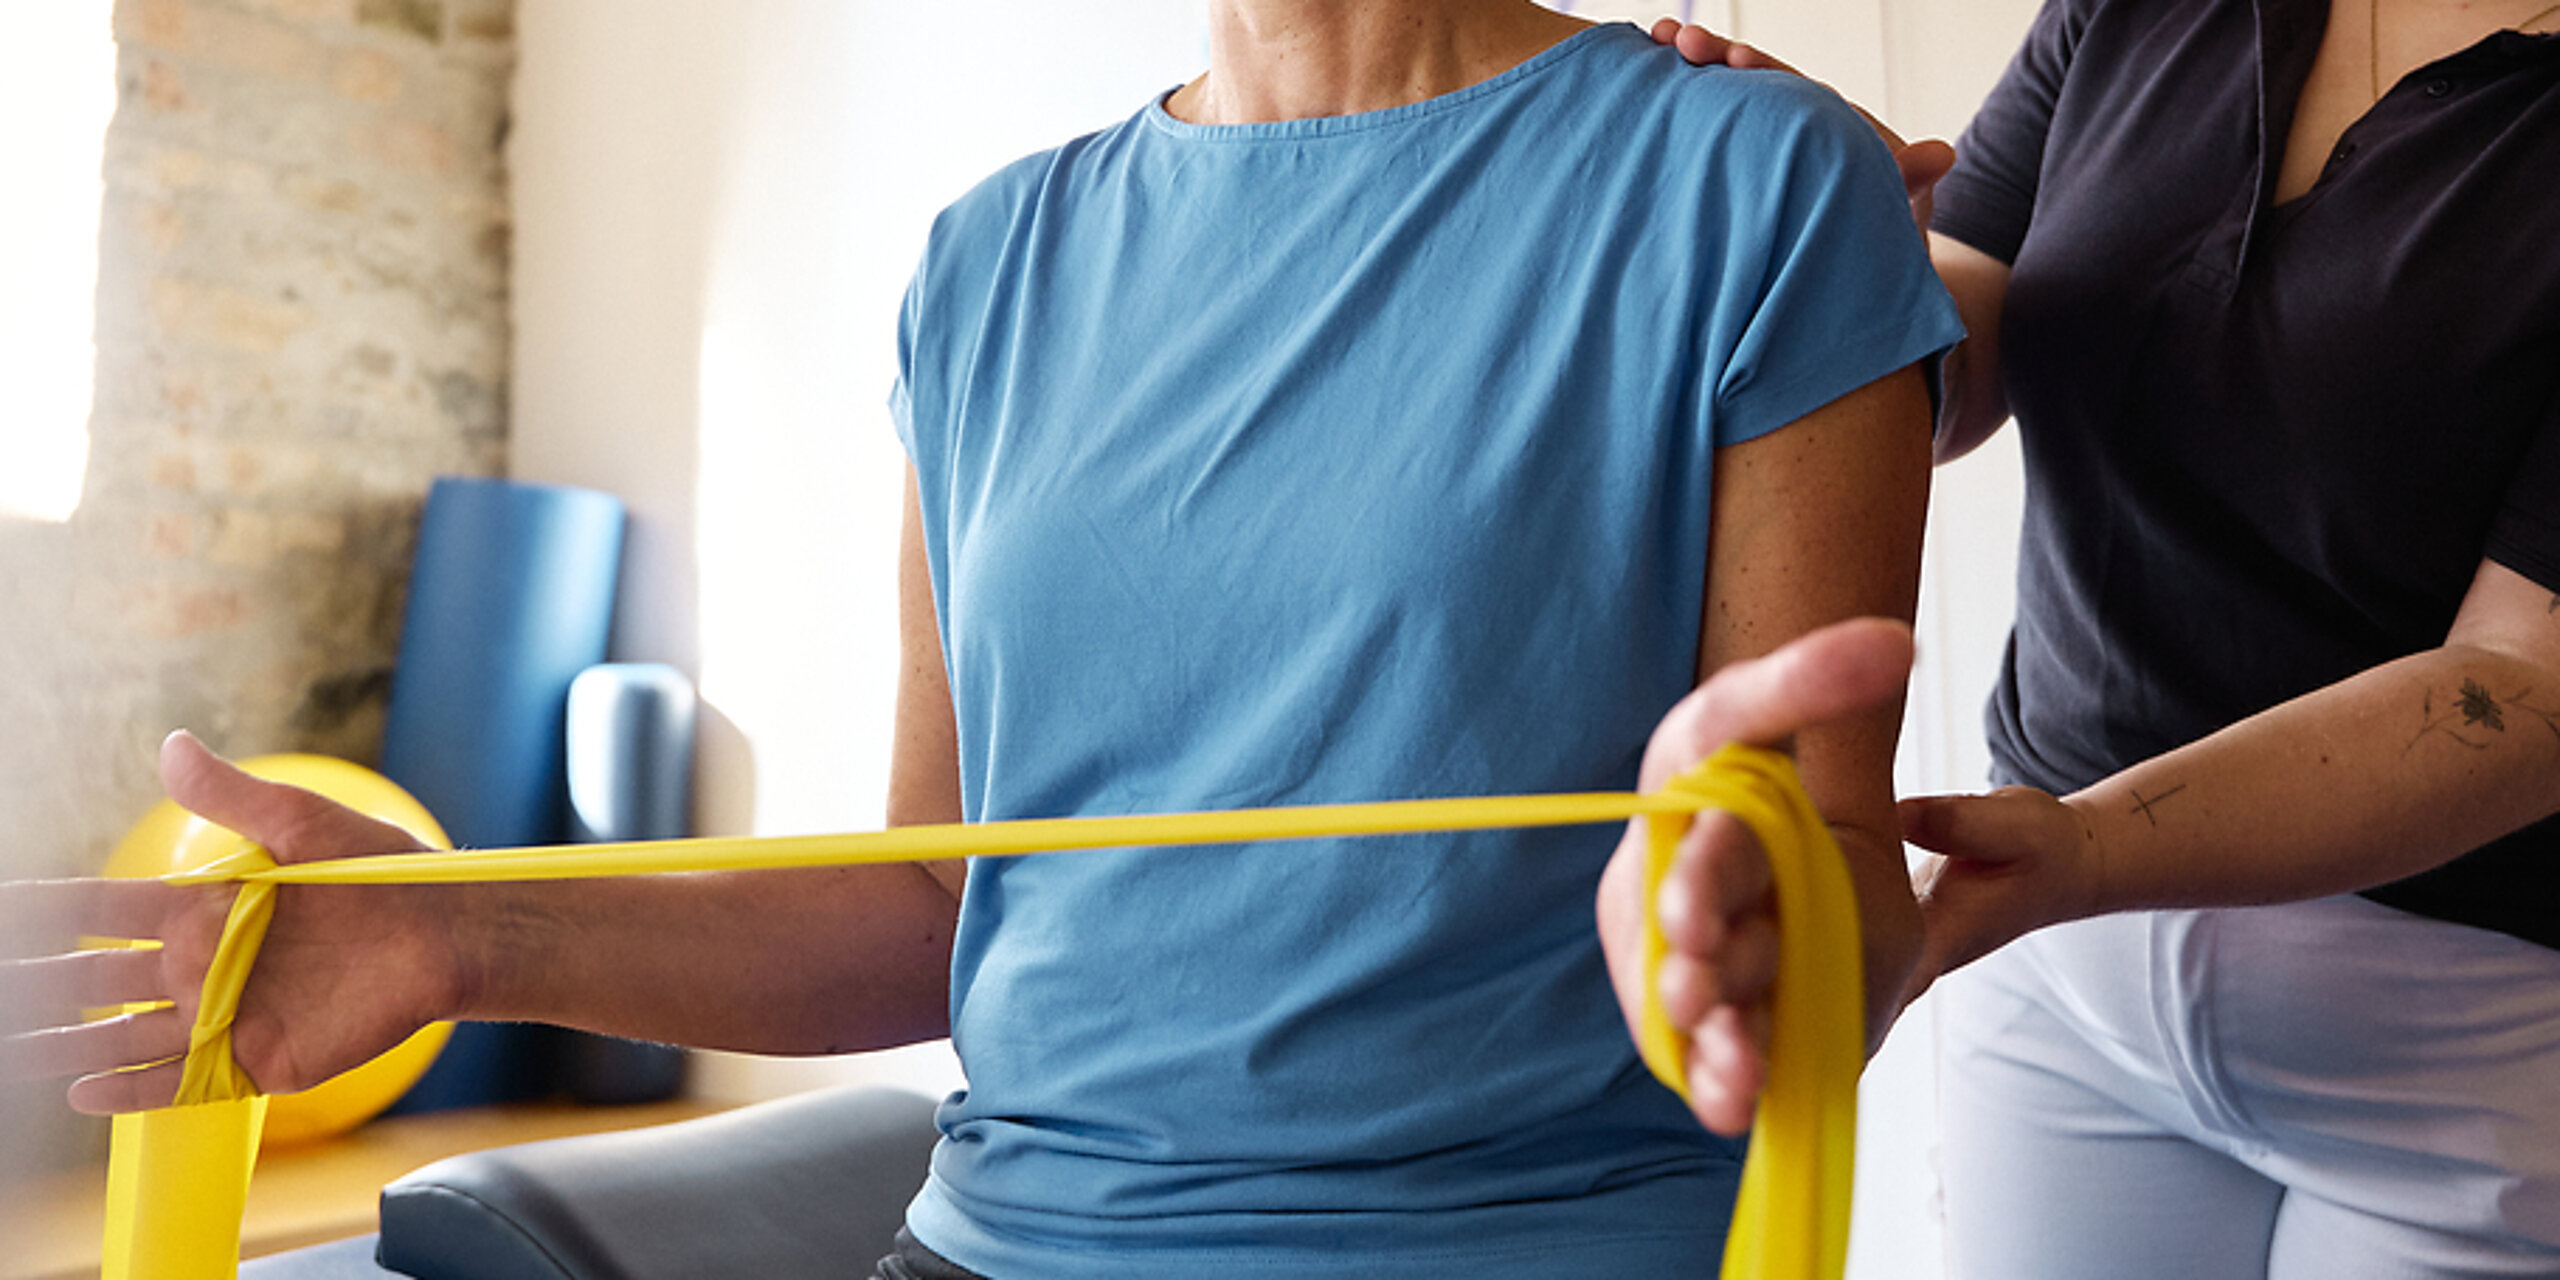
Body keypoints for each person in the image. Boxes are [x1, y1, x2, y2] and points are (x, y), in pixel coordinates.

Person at [2, 4, 1963, 1276]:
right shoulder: (988, 264)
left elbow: (1840, 905)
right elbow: (937, 901)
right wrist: (456, 936)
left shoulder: (1750, 183)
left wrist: (1749, 926)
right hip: (994, 1245)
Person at [1652, 5, 2560, 1275]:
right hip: (2053, 971)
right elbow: (1960, 345)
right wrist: (1835, 256)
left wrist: (2089, 848)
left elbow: (2522, 685)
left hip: (2451, 1037)